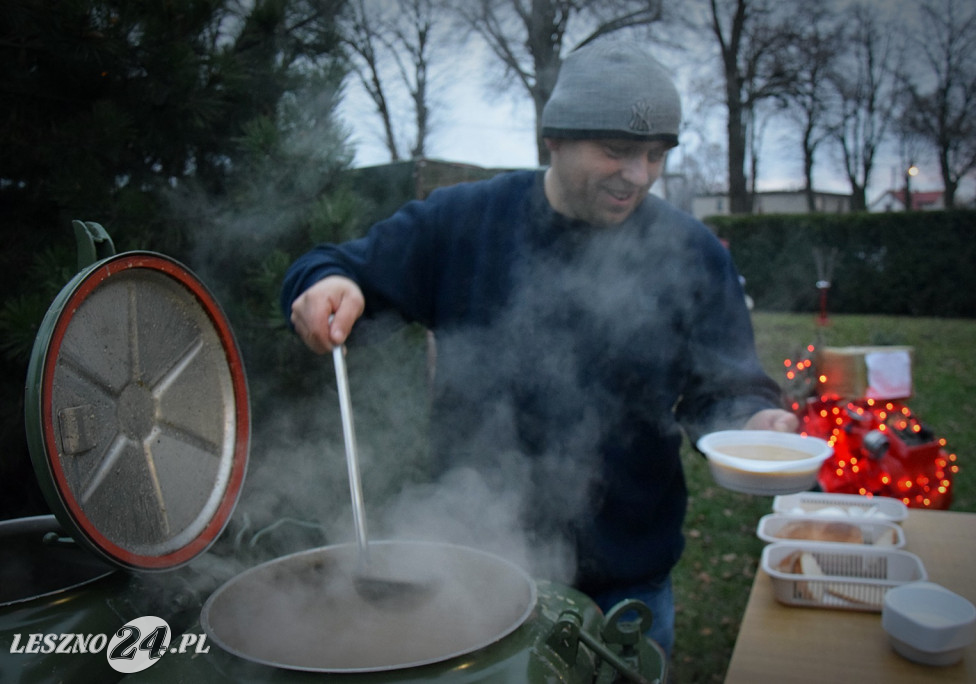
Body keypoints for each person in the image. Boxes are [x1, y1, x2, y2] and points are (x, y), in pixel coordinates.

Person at [281, 41, 797, 656]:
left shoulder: (691, 253)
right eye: (617, 150)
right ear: (554, 138)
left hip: (626, 588)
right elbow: (335, 267)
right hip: (475, 574)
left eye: (655, 155)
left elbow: (726, 388)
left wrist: (753, 421)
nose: (638, 174)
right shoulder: (465, 222)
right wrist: (325, 285)